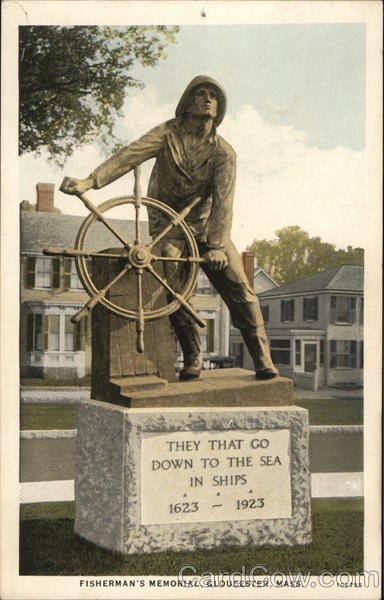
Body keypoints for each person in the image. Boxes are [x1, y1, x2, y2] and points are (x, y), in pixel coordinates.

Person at [62, 75, 278, 381]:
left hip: (206, 227)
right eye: (201, 94)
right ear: (187, 102)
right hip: (169, 227)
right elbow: (129, 155)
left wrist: (216, 245)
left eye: (214, 97)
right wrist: (89, 182)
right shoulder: (167, 134)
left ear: (219, 109)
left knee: (239, 288)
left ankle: (263, 359)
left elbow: (224, 202)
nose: (208, 100)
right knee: (174, 291)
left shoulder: (223, 153)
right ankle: (193, 356)